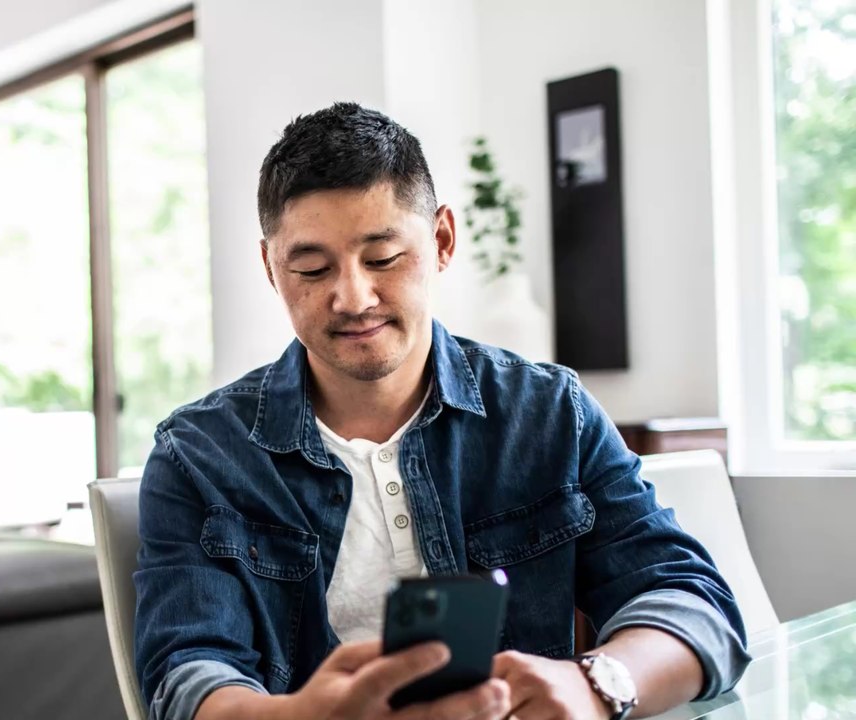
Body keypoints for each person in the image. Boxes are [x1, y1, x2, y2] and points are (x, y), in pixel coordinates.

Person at [133, 102, 749, 720]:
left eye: (383, 258)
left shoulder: (549, 414)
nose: (353, 297)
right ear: (271, 267)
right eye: (312, 268)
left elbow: (693, 603)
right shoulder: (200, 454)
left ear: (442, 241)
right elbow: (184, 678)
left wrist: (597, 685)